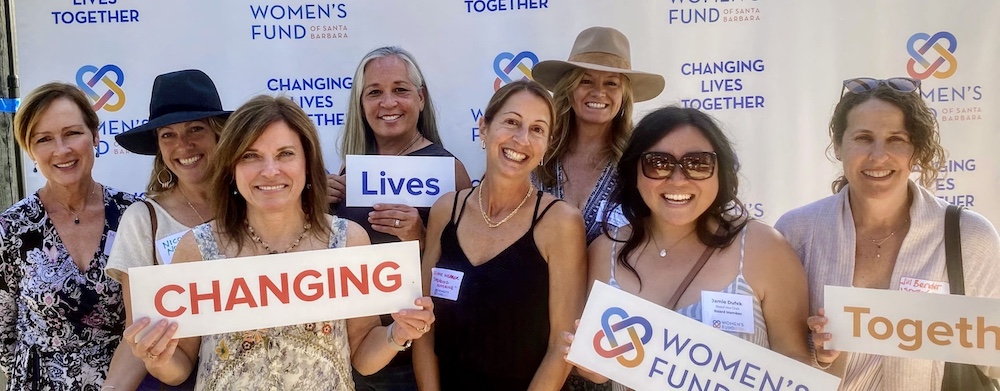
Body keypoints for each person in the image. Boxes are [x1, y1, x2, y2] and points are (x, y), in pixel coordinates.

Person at [120, 95, 434, 390]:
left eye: (285, 154)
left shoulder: (347, 240)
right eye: (251, 156)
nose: (270, 171)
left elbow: (363, 356)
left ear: (307, 163)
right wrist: (156, 356)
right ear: (232, 169)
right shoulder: (197, 247)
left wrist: (398, 334)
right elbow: (181, 366)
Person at [775, 77, 1000, 389]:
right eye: (864, 138)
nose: (878, 156)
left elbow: (993, 362)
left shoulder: (970, 236)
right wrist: (818, 353)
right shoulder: (795, 232)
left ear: (916, 151)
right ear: (839, 146)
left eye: (896, 139)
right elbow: (774, 355)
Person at [571, 106, 812, 389]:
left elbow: (795, 361)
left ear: (720, 172)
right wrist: (592, 369)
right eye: (658, 163)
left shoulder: (764, 248)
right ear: (634, 171)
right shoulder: (604, 253)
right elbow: (598, 367)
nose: (677, 179)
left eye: (698, 163)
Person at [413, 80, 587, 390]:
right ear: (484, 128)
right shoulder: (446, 210)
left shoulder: (560, 223)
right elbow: (422, 326)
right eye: (512, 122)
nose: (521, 139)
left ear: (547, 145)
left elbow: (562, 347)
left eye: (537, 129)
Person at [328, 46, 473, 390]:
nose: (388, 102)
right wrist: (316, 206)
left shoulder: (449, 171)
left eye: (400, 90)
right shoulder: (351, 172)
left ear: (420, 98)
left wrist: (421, 238)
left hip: (418, 354)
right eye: (374, 92)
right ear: (361, 106)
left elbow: (472, 273)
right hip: (353, 350)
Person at [0, 82, 139, 389]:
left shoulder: (134, 215)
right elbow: (4, 331)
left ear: (95, 136)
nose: (61, 150)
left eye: (72, 133)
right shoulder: (11, 228)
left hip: (123, 383)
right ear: (30, 149)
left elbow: (149, 319)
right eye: (44, 139)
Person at [103, 69, 231, 390]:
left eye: (195, 129)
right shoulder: (142, 219)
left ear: (219, 134)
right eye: (168, 135)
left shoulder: (256, 204)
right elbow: (141, 332)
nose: (183, 145)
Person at [532, 26, 665, 245]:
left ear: (624, 95)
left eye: (611, 83)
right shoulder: (536, 152)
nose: (598, 92)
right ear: (569, 88)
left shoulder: (639, 162)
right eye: (586, 81)